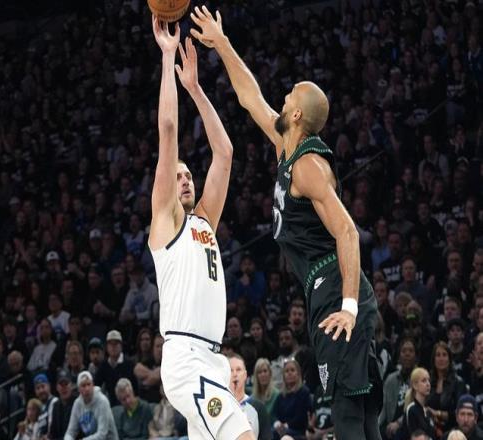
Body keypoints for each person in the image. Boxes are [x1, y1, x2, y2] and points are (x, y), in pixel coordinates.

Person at [190, 6, 381, 439]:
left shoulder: (308, 165)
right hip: (323, 289)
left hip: (337, 289)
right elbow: (249, 97)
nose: (284, 96)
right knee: (361, 408)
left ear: (297, 116)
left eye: (291, 95)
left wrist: (348, 306)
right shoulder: (285, 147)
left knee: (347, 411)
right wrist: (221, 43)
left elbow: (347, 231)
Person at [148, 16, 253, 440]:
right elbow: (168, 130)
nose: (186, 179)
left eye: (189, 174)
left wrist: (195, 88)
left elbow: (224, 152)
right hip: (185, 357)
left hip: (212, 359)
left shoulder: (205, 220)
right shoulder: (166, 220)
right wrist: (167, 56)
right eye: (178, 176)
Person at [65, 370, 119, 440]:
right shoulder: (77, 404)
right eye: (83, 386)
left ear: (93, 385)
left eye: (89, 384)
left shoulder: (102, 401)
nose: (87, 389)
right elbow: (70, 432)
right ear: (79, 389)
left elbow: (102, 434)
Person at [229, 354, 272, 440]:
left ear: (245, 375)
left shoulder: (258, 407)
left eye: (238, 369)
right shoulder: (219, 406)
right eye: (231, 370)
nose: (234, 374)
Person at [402, 368, 436, 439]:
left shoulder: (427, 411)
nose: (428, 384)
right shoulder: (411, 410)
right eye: (424, 381)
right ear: (415, 385)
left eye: (428, 380)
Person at [49, 369, 75, 440]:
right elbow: (53, 433)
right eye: (61, 385)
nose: (64, 388)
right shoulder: (55, 405)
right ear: (57, 387)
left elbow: (76, 434)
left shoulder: (77, 403)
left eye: (66, 384)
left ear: (72, 386)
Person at [251, 358, 280, 422]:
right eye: (259, 372)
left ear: (270, 373)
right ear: (256, 376)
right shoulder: (252, 398)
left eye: (265, 371)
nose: (263, 374)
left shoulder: (277, 395)